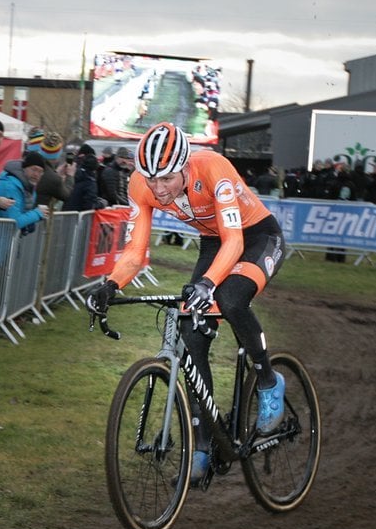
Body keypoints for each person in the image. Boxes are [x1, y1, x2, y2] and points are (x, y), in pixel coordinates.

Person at [85, 122, 288, 484]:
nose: (159, 189)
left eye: (166, 179)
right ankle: (204, 443)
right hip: (214, 243)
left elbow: (234, 243)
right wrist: (111, 284)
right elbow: (135, 250)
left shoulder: (214, 169)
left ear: (184, 166)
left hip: (255, 236)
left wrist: (208, 283)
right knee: (190, 335)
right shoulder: (140, 185)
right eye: (152, 179)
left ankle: (269, 381)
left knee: (230, 298)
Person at [0, 151, 50, 233]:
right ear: (24, 168)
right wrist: (38, 213)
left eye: (40, 172)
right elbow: (13, 222)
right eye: (34, 169)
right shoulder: (10, 186)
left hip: (7, 239)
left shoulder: (28, 186)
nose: (36, 174)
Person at [25, 129, 70, 210]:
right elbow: (68, 196)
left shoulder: (28, 165)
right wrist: (70, 176)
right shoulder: (53, 179)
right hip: (37, 219)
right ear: (58, 153)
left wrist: (56, 173)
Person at [63, 143, 102, 211]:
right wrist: (101, 204)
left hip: (65, 213)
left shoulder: (70, 171)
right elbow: (89, 204)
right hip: (79, 216)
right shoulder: (89, 180)